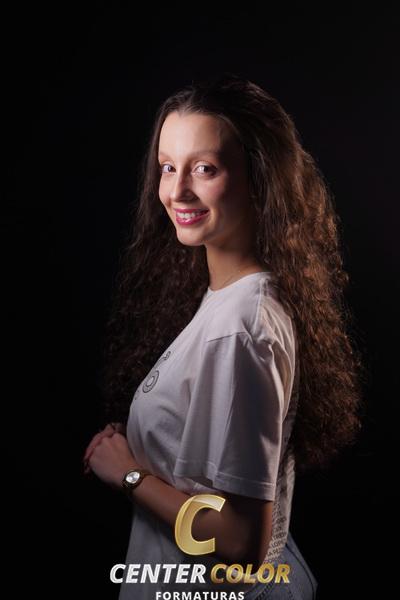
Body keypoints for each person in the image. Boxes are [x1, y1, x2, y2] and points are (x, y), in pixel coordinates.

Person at [83, 74, 363, 599]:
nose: (176, 191)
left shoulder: (240, 325)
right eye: (168, 167)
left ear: (258, 179)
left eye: (205, 168)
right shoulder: (231, 298)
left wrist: (128, 475)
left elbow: (241, 545)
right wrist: (148, 439)